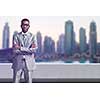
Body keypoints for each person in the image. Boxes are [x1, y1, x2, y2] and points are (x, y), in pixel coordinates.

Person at [12, 18, 38, 83]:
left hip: (29, 63)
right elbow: (15, 50)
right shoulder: (16, 36)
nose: (25, 26)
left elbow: (34, 50)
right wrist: (28, 50)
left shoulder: (33, 36)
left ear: (29, 26)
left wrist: (20, 48)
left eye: (26, 25)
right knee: (15, 82)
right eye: (23, 24)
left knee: (29, 82)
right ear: (21, 25)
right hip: (18, 62)